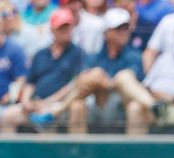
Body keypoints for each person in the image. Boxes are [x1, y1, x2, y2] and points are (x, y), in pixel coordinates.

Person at [33, 8, 150, 134]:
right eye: (118, 29)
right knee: (78, 104)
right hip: (98, 103)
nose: (123, 32)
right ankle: (77, 152)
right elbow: (81, 81)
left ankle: (56, 111)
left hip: (123, 104)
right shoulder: (95, 56)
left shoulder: (134, 55)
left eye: (126, 28)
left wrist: (103, 80)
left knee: (124, 81)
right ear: (106, 33)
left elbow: (129, 81)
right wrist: (98, 79)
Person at [4, 8, 86, 132]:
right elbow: (30, 82)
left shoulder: (78, 53)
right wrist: (26, 101)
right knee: (7, 116)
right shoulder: (41, 54)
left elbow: (75, 83)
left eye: (68, 27)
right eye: (62, 27)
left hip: (61, 104)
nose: (66, 31)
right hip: (35, 102)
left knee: (55, 115)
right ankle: (9, 152)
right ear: (52, 30)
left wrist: (49, 101)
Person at [0, 0, 27, 133]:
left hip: (7, 105)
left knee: (9, 115)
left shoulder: (14, 49)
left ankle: (6, 154)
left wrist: (9, 97)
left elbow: (21, 80)